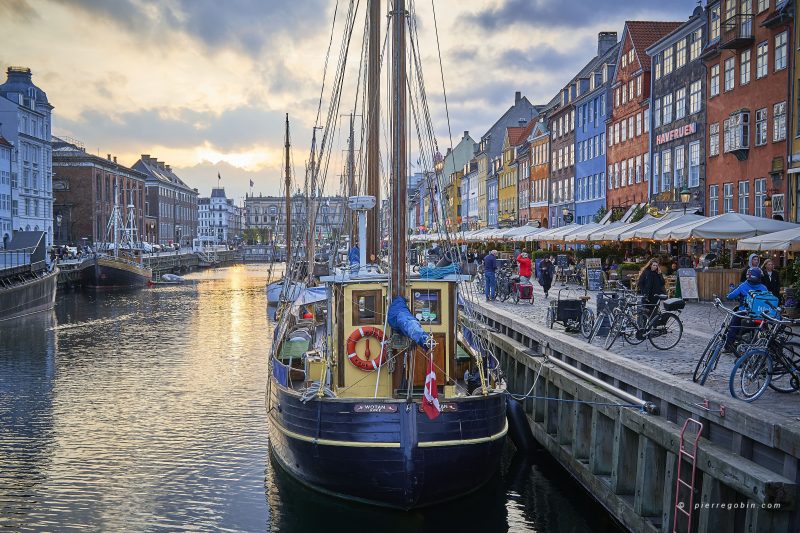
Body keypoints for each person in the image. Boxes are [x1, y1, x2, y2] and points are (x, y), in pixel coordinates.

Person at [724, 268, 769, 353]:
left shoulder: (743, 286)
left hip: (745, 312)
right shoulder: (763, 287)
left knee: (733, 326)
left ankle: (728, 346)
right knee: (767, 327)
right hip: (760, 314)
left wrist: (729, 294)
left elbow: (730, 296)